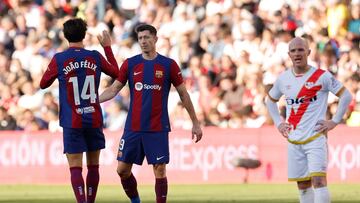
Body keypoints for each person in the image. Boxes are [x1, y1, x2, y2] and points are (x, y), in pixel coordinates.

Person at [99, 24, 203, 203]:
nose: (143, 41)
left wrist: (195, 122)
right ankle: (136, 200)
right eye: (140, 38)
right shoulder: (130, 64)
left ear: (155, 39)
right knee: (122, 171)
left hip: (157, 127)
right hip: (133, 127)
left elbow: (183, 94)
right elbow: (114, 89)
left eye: (147, 37)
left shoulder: (168, 65)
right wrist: (93, 101)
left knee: (159, 169)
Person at [39, 18, 119, 203]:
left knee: (75, 167)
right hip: (93, 117)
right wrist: (107, 47)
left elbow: (43, 84)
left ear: (65, 36)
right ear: (84, 35)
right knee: (93, 167)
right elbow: (117, 72)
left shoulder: (59, 59)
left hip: (72, 120)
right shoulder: (95, 56)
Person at [265, 37, 352, 203]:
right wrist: (278, 123)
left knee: (319, 181)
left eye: (300, 50)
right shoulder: (283, 79)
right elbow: (269, 101)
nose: (297, 54)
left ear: (308, 52)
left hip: (315, 138)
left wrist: (334, 121)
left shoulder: (321, 76)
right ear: (288, 54)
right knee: (303, 185)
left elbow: (346, 95)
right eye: (293, 51)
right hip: (294, 139)